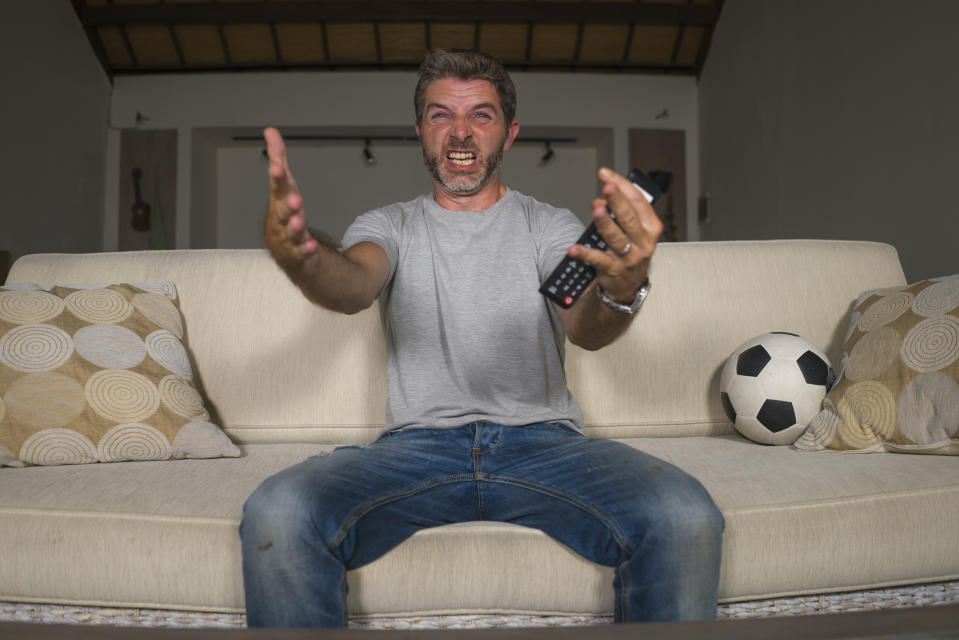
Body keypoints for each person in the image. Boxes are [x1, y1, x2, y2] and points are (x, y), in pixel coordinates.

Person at [240, 48, 724, 629]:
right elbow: (352, 283)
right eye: (441, 115)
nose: (461, 132)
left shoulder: (547, 226)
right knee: (277, 511)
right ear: (419, 130)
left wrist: (624, 283)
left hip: (545, 444)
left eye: (482, 116)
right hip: (415, 449)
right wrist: (302, 257)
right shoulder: (389, 224)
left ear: (510, 133)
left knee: (685, 514)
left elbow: (585, 326)